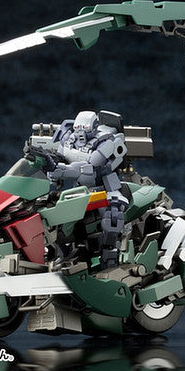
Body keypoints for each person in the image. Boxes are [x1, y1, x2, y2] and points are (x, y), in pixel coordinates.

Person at [32, 110, 129, 268]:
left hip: (105, 187)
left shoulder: (106, 142)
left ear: (94, 128)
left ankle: (110, 259)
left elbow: (88, 168)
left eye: (85, 129)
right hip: (79, 190)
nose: (81, 134)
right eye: (78, 129)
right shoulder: (69, 139)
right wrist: (49, 166)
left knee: (113, 217)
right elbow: (61, 157)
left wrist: (56, 169)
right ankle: (63, 256)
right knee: (60, 221)